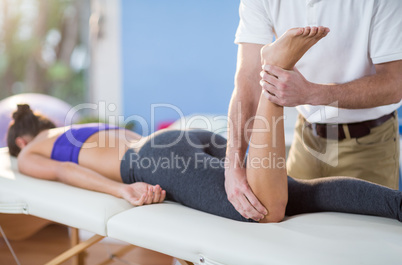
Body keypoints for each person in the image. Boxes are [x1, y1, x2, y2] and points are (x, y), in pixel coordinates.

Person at [7, 27, 402, 223]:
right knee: (298, 193)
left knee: (264, 208)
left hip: (151, 160)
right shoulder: (75, 130)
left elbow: (66, 171)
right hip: (176, 140)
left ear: (21, 139)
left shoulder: (29, 153)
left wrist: (122, 189)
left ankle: (274, 73)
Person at [225, 0, 402, 221]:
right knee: (282, 225)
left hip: (367, 143)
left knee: (361, 241)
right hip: (306, 137)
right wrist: (233, 165)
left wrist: (312, 93)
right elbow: (248, 80)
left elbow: (395, 84)